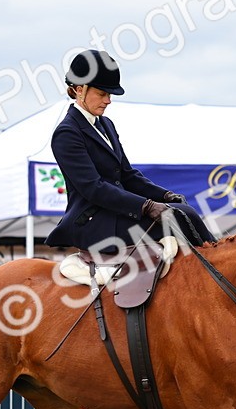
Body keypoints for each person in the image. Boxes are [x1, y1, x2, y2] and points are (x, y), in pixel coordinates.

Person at [44, 49, 215, 258]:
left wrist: (164, 195)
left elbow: (127, 175)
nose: (108, 100)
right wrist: (146, 206)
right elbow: (93, 188)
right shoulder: (67, 133)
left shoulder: (105, 124)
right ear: (80, 89)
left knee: (185, 211)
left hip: (116, 214)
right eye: (102, 94)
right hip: (94, 223)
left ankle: (218, 259)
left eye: (109, 95)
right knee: (175, 220)